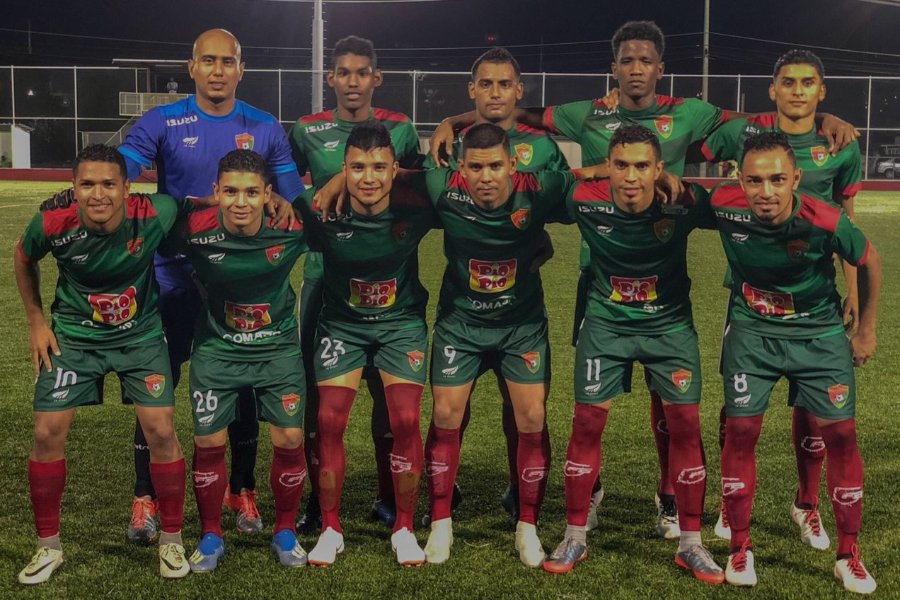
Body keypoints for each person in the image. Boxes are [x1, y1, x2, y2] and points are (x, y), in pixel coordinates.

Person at [431, 20, 859, 537]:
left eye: (645, 61)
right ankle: (591, 492)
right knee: (592, 403)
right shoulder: (587, 113)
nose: (636, 69)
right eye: (627, 60)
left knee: (669, 399)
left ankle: (669, 495)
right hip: (601, 274)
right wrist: (455, 120)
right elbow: (516, 112)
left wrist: (822, 118)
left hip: (664, 272)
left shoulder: (689, 113)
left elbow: (759, 125)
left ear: (660, 68)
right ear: (614, 68)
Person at [117, 28, 304, 540]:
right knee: (157, 385)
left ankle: (241, 489)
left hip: (237, 281)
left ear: (241, 69)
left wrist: (289, 201)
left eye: (227, 61)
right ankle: (145, 496)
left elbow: (293, 197)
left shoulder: (264, 126)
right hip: (172, 274)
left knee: (242, 381)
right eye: (208, 61)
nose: (218, 70)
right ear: (192, 67)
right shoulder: (163, 120)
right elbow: (120, 172)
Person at [541, 125, 722, 584]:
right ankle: (574, 535)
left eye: (642, 166)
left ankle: (691, 543)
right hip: (607, 326)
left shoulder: (685, 202)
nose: (631, 176)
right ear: (608, 167)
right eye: (621, 165)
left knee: (686, 427)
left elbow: (745, 212)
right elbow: (531, 186)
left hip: (669, 328)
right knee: (586, 423)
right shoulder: (583, 198)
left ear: (659, 168)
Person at [700, 49, 864, 545]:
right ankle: (731, 501)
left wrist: (854, 296)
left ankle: (806, 504)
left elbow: (848, 222)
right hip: (751, 293)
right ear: (772, 89)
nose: (797, 90)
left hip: (814, 293)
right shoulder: (744, 132)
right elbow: (691, 142)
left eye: (807, 83)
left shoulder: (839, 145)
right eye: (787, 82)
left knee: (815, 407)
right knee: (738, 406)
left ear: (821, 90)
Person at [711, 132, 880, 593]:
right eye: (755, 180)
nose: (766, 191)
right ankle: (740, 547)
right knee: (741, 431)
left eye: (777, 179)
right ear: (739, 180)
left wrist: (866, 330)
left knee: (841, 435)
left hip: (817, 336)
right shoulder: (722, 204)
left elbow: (870, 261)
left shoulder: (825, 219)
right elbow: (671, 203)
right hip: (753, 334)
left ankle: (848, 555)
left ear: (796, 179)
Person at [13, 145, 190, 584]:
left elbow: (195, 207)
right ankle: (48, 548)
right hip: (74, 337)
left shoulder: (155, 213)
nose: (98, 194)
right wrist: (36, 322)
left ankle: (171, 540)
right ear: (73, 188)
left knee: (161, 429)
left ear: (128, 188)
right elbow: (24, 257)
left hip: (140, 336)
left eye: (109, 184)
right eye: (87, 184)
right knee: (46, 432)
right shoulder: (53, 222)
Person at [424, 46, 569, 526]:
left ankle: (520, 490)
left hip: (519, 311)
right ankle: (445, 486)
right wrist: (448, 123)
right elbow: (420, 194)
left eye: (504, 84)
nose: (495, 93)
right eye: (485, 84)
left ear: (519, 90)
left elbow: (561, 200)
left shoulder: (542, 148)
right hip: (462, 308)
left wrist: (538, 240)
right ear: (472, 90)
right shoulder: (450, 144)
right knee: (451, 408)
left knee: (525, 408)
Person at [288, 35, 422, 532]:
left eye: (361, 72)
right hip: (324, 280)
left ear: (375, 78)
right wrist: (325, 184)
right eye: (343, 72)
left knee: (390, 397)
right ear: (331, 78)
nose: (352, 81)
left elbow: (416, 183)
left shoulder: (401, 128)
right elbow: (288, 190)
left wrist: (345, 178)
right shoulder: (307, 129)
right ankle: (314, 498)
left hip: (391, 282)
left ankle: (389, 495)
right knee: (317, 394)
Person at [293, 121, 435, 567]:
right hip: (342, 326)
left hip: (400, 325)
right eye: (357, 168)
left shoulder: (417, 203)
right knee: (328, 420)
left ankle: (404, 528)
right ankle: (330, 528)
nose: (368, 177)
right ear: (343, 169)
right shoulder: (319, 209)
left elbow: (456, 181)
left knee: (406, 419)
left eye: (378, 167)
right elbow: (269, 223)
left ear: (395, 170)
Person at [169, 150, 310, 571]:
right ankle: (211, 535)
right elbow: (145, 224)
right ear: (216, 192)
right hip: (217, 349)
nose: (241, 202)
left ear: (268, 194)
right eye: (230, 192)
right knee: (208, 441)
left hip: (277, 348)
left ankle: (285, 530)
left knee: (290, 439)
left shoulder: (291, 226)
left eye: (251, 192)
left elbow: (336, 221)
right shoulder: (193, 228)